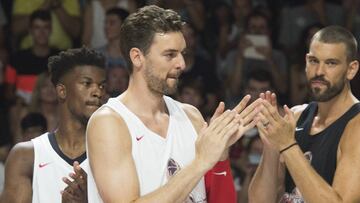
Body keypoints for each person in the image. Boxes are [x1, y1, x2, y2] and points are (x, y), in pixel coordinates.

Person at [86, 5, 260, 202]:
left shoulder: (191, 116)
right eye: (170, 54)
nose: (182, 64)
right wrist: (201, 162)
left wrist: (220, 157)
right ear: (137, 57)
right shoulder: (110, 123)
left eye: (182, 53)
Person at [249, 25, 360, 202]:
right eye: (314, 61)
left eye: (331, 63)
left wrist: (288, 145)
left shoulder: (356, 126)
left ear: (351, 69)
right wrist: (271, 146)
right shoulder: (297, 116)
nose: (319, 72)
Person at [0, 47, 106, 203]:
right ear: (62, 91)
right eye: (87, 83)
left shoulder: (115, 153)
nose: (98, 92)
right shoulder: (26, 156)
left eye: (102, 85)